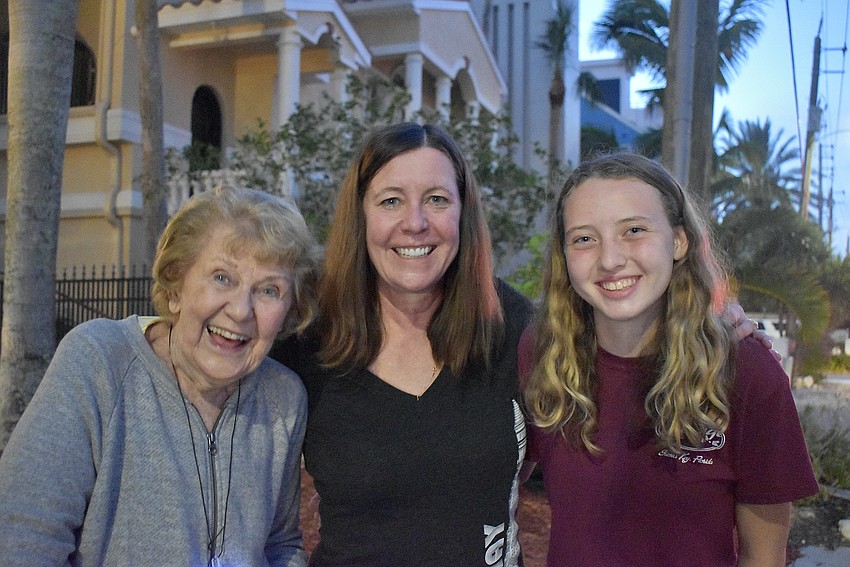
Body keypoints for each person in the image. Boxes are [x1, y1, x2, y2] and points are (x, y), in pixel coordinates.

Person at [519, 152, 819, 567]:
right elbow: (498, 486)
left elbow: (764, 555)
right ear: (564, 255)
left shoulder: (745, 372)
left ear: (678, 241)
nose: (610, 259)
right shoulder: (542, 356)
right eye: (584, 238)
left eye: (634, 230)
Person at [0, 186, 320, 566]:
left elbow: (281, 544)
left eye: (269, 290)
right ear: (175, 288)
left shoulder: (283, 397)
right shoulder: (99, 362)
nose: (240, 310)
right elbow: (24, 538)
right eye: (222, 278)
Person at [270, 122, 535, 566]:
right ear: (361, 216)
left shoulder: (514, 327)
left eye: (436, 200)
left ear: (463, 214)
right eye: (391, 201)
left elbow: (533, 462)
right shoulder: (308, 342)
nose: (415, 223)